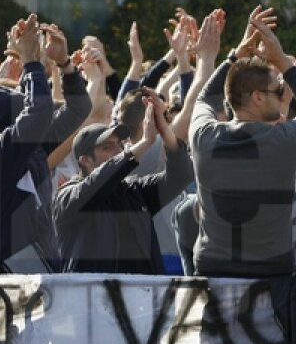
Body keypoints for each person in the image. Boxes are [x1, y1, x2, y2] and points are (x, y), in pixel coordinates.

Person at [189, 7, 296, 278]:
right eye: (278, 91)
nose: (282, 97)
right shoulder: (283, 141)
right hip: (272, 273)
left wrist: (234, 56)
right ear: (257, 97)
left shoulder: (203, 137)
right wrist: (283, 62)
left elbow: (203, 99)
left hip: (212, 270)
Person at [0, 15, 92, 274]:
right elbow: (38, 113)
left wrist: (64, 64)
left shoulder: (31, 148)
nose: (40, 126)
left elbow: (79, 108)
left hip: (38, 274)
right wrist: (31, 62)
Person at [54, 88, 193, 274]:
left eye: (119, 145)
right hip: (91, 299)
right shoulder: (68, 195)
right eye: (107, 147)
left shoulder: (134, 191)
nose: (118, 151)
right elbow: (99, 181)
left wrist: (165, 131)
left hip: (142, 299)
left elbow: (181, 175)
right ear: (85, 160)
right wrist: (144, 143)